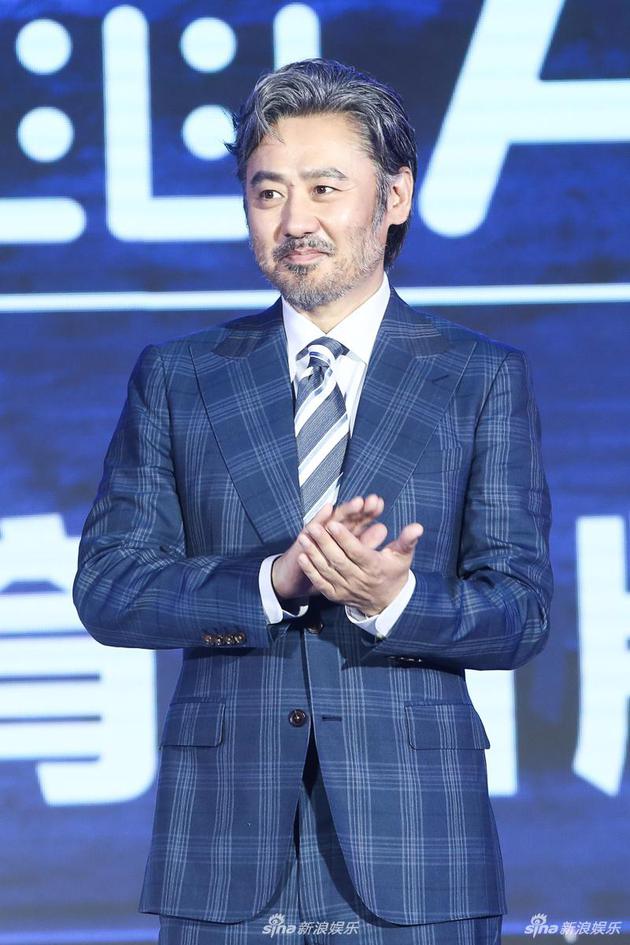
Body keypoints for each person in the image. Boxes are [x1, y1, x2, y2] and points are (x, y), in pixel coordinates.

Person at [73, 58, 553, 945]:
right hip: (224, 847)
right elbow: (109, 588)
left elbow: (520, 612)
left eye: (325, 188)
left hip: (419, 844)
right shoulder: (181, 378)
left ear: (395, 196)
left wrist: (393, 598)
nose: (294, 221)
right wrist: (270, 582)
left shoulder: (478, 379)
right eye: (267, 193)